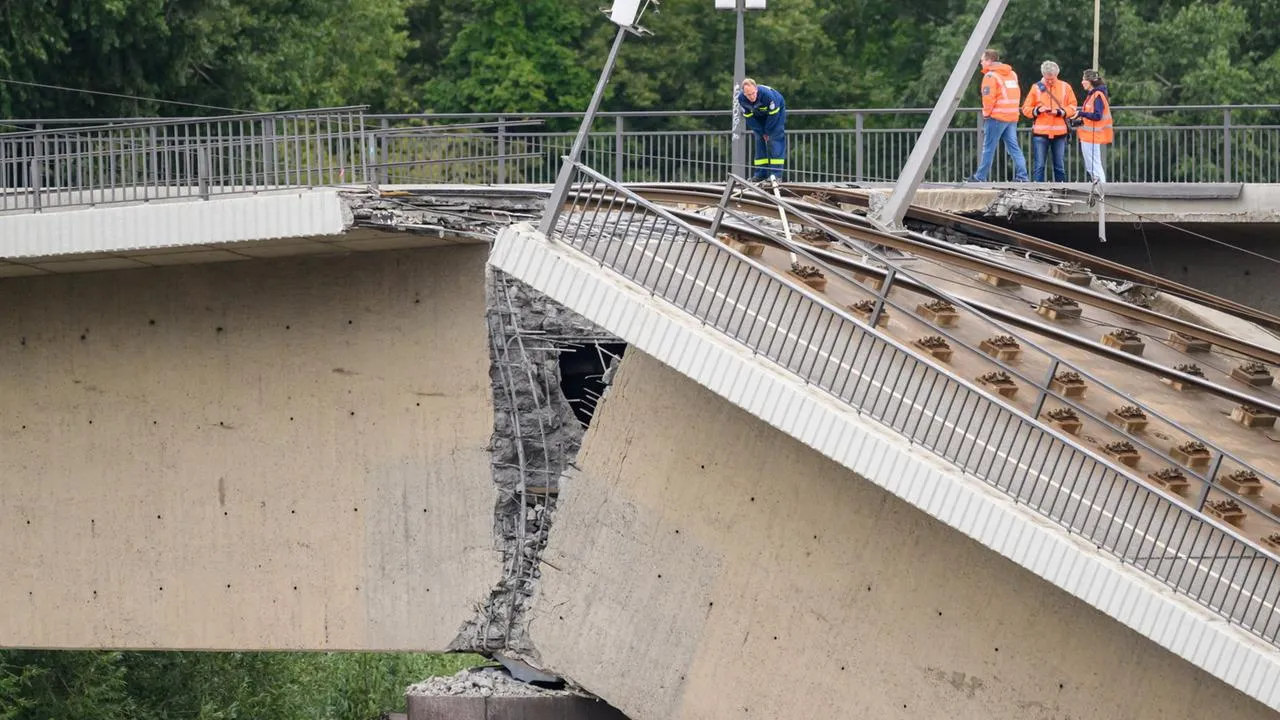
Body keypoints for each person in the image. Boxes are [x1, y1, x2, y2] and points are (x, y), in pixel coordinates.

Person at [965, 49, 1028, 183]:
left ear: (989, 61)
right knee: (1013, 147)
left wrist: (986, 114)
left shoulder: (990, 77)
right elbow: (1016, 93)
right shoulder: (1012, 74)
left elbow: (988, 98)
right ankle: (1023, 176)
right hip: (1012, 116)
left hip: (997, 117)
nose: (981, 63)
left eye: (982, 60)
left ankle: (980, 177)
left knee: (988, 148)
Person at [1022, 60, 1078, 182]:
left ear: (1057, 74)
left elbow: (1073, 106)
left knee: (1059, 166)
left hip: (1060, 133)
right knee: (1039, 166)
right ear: (1043, 75)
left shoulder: (1065, 87)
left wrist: (1061, 112)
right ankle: (1038, 192)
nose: (1050, 81)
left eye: (1052, 78)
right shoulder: (1036, 88)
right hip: (1041, 132)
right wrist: (1037, 110)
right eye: (1048, 79)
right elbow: (1025, 108)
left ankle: (1062, 191)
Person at [737, 78, 787, 182]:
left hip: (775, 114)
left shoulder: (768, 96)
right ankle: (760, 174)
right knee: (759, 140)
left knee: (775, 139)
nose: (751, 97)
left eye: (753, 93)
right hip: (758, 115)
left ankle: (776, 175)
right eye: (748, 95)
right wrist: (761, 132)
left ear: (756, 89)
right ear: (744, 93)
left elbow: (773, 116)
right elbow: (749, 118)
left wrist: (767, 131)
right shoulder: (741, 99)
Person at [1073, 69, 1112, 183]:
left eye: (1084, 80)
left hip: (1093, 135)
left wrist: (1081, 113)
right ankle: (1100, 188)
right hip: (1089, 135)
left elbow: (1097, 116)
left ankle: (1102, 189)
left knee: (1094, 165)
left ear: (1090, 81)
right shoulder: (1094, 95)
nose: (1082, 82)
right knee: (1092, 165)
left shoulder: (1097, 95)